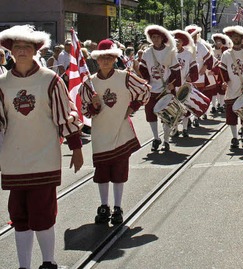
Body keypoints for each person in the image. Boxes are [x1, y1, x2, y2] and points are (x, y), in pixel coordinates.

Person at [0, 24, 84, 269]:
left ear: (36, 50)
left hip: (44, 156)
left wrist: (76, 147)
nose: (22, 51)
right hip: (13, 160)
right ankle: (23, 265)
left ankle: (48, 261)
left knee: (43, 213)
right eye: (18, 47)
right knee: (19, 215)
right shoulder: (2, 84)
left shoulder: (51, 80)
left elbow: (65, 116)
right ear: (11, 51)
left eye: (27, 46)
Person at [79, 39, 150, 225]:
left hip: (120, 130)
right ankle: (104, 205)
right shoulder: (90, 83)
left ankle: (117, 206)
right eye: (102, 58)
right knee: (102, 172)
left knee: (119, 171)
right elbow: (85, 110)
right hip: (101, 133)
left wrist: (132, 107)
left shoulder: (125, 77)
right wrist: (93, 107)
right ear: (97, 60)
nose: (106, 61)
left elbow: (145, 91)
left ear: (114, 58)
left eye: (109, 57)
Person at [138, 25, 182, 151]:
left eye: (158, 37)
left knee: (167, 115)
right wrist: (145, 82)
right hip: (152, 89)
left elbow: (176, 71)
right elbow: (143, 69)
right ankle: (156, 138)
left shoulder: (170, 51)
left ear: (163, 38)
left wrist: (173, 83)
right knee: (150, 115)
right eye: (153, 37)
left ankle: (166, 140)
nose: (155, 39)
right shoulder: (147, 52)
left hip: (166, 89)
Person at [215, 25, 243, 149]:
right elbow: (222, 71)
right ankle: (234, 138)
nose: (235, 38)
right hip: (232, 88)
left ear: (241, 38)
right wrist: (224, 82)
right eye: (233, 37)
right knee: (231, 116)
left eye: (237, 36)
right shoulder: (227, 54)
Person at [171, 30, 199, 138]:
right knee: (174, 108)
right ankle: (175, 128)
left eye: (179, 41)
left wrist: (191, 77)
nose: (177, 43)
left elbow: (194, 69)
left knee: (185, 108)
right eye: (175, 41)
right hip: (173, 86)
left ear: (183, 42)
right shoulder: (170, 54)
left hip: (184, 85)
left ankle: (185, 128)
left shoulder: (188, 55)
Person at [185, 25, 215, 121]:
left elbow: (209, 58)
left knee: (196, 97)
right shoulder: (184, 46)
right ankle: (187, 118)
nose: (193, 37)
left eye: (194, 35)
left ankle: (195, 116)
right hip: (186, 76)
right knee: (186, 97)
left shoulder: (200, 45)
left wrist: (205, 67)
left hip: (199, 76)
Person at [208, 33, 232, 116]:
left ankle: (221, 105)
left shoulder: (225, 50)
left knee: (221, 89)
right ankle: (214, 106)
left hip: (222, 71)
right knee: (214, 90)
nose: (218, 42)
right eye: (216, 41)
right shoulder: (211, 50)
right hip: (213, 72)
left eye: (220, 41)